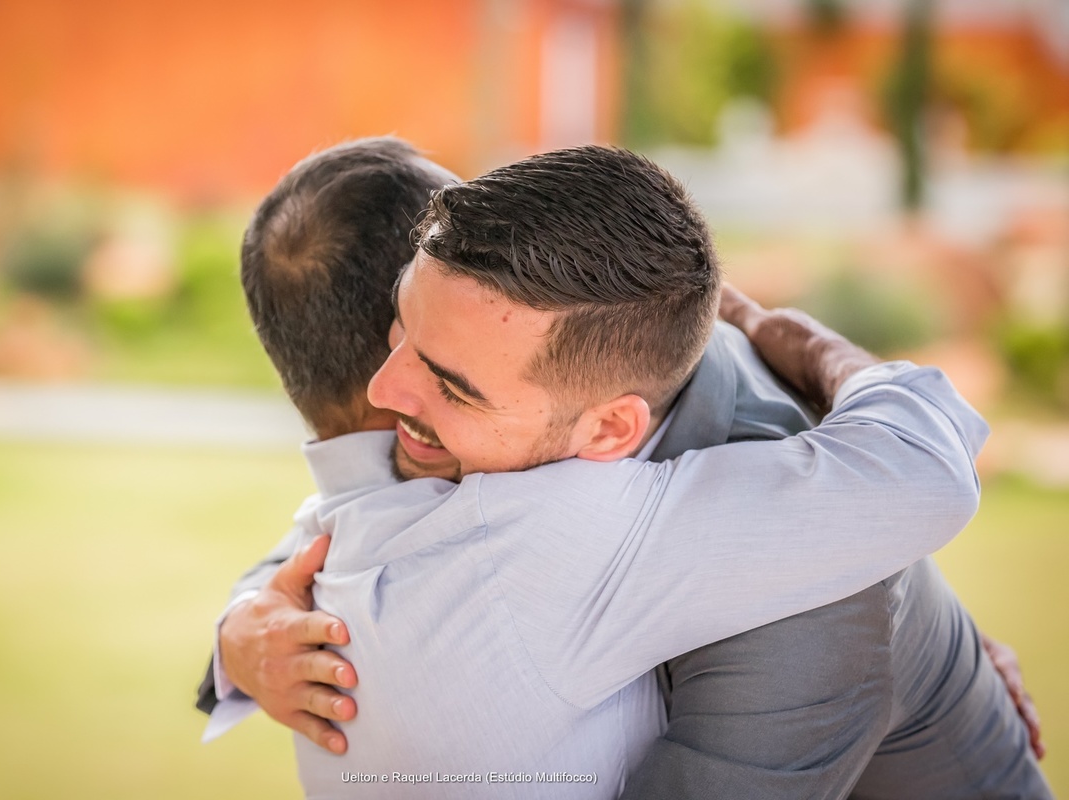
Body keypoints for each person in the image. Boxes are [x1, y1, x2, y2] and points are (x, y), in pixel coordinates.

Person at [201, 140, 1050, 797]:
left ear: (610, 429)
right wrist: (239, 632)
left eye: (445, 386)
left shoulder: (800, 587)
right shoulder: (515, 372)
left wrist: (795, 337)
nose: (396, 404)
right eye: (401, 344)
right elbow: (361, 516)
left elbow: (908, 488)